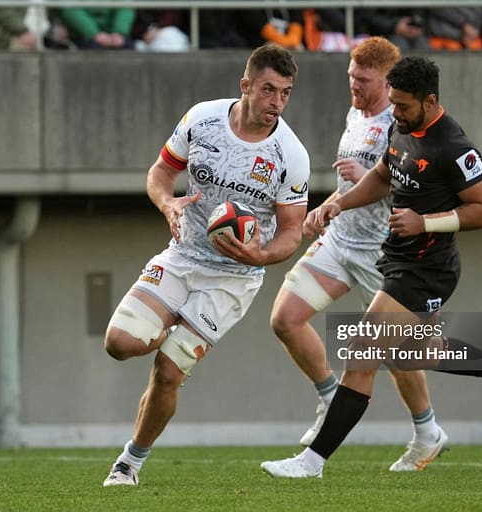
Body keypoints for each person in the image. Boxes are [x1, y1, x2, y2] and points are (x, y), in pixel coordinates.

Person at [261, 56, 482, 478]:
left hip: (429, 268)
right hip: (397, 257)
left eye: (403, 105)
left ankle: (312, 462)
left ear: (430, 101)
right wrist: (337, 203)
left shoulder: (454, 146)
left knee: (362, 352)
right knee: (415, 351)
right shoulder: (402, 127)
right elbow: (382, 175)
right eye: (393, 103)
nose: (394, 112)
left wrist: (425, 222)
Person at [102, 44, 310, 487]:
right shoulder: (202, 119)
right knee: (120, 343)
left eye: (286, 93)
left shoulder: (290, 154)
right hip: (181, 256)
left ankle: (129, 464)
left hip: (233, 280)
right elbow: (160, 174)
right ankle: (166, 327)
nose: (277, 102)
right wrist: (167, 205)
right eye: (269, 90)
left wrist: (261, 255)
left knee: (169, 372)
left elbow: (293, 231)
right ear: (246, 86)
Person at [270, 36, 448, 472]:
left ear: (387, 82)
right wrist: (330, 204)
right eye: (351, 76)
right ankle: (330, 394)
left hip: (379, 252)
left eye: (363, 80)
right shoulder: (355, 112)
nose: (354, 85)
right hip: (340, 240)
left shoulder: (400, 120)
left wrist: (365, 177)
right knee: (285, 319)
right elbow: (353, 180)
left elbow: (395, 180)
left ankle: (427, 430)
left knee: (397, 352)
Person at [59, 7, 136, 49]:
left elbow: (125, 7)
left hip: (115, 36)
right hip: (83, 35)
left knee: (128, 47)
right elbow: (70, 9)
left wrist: (119, 32)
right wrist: (94, 33)